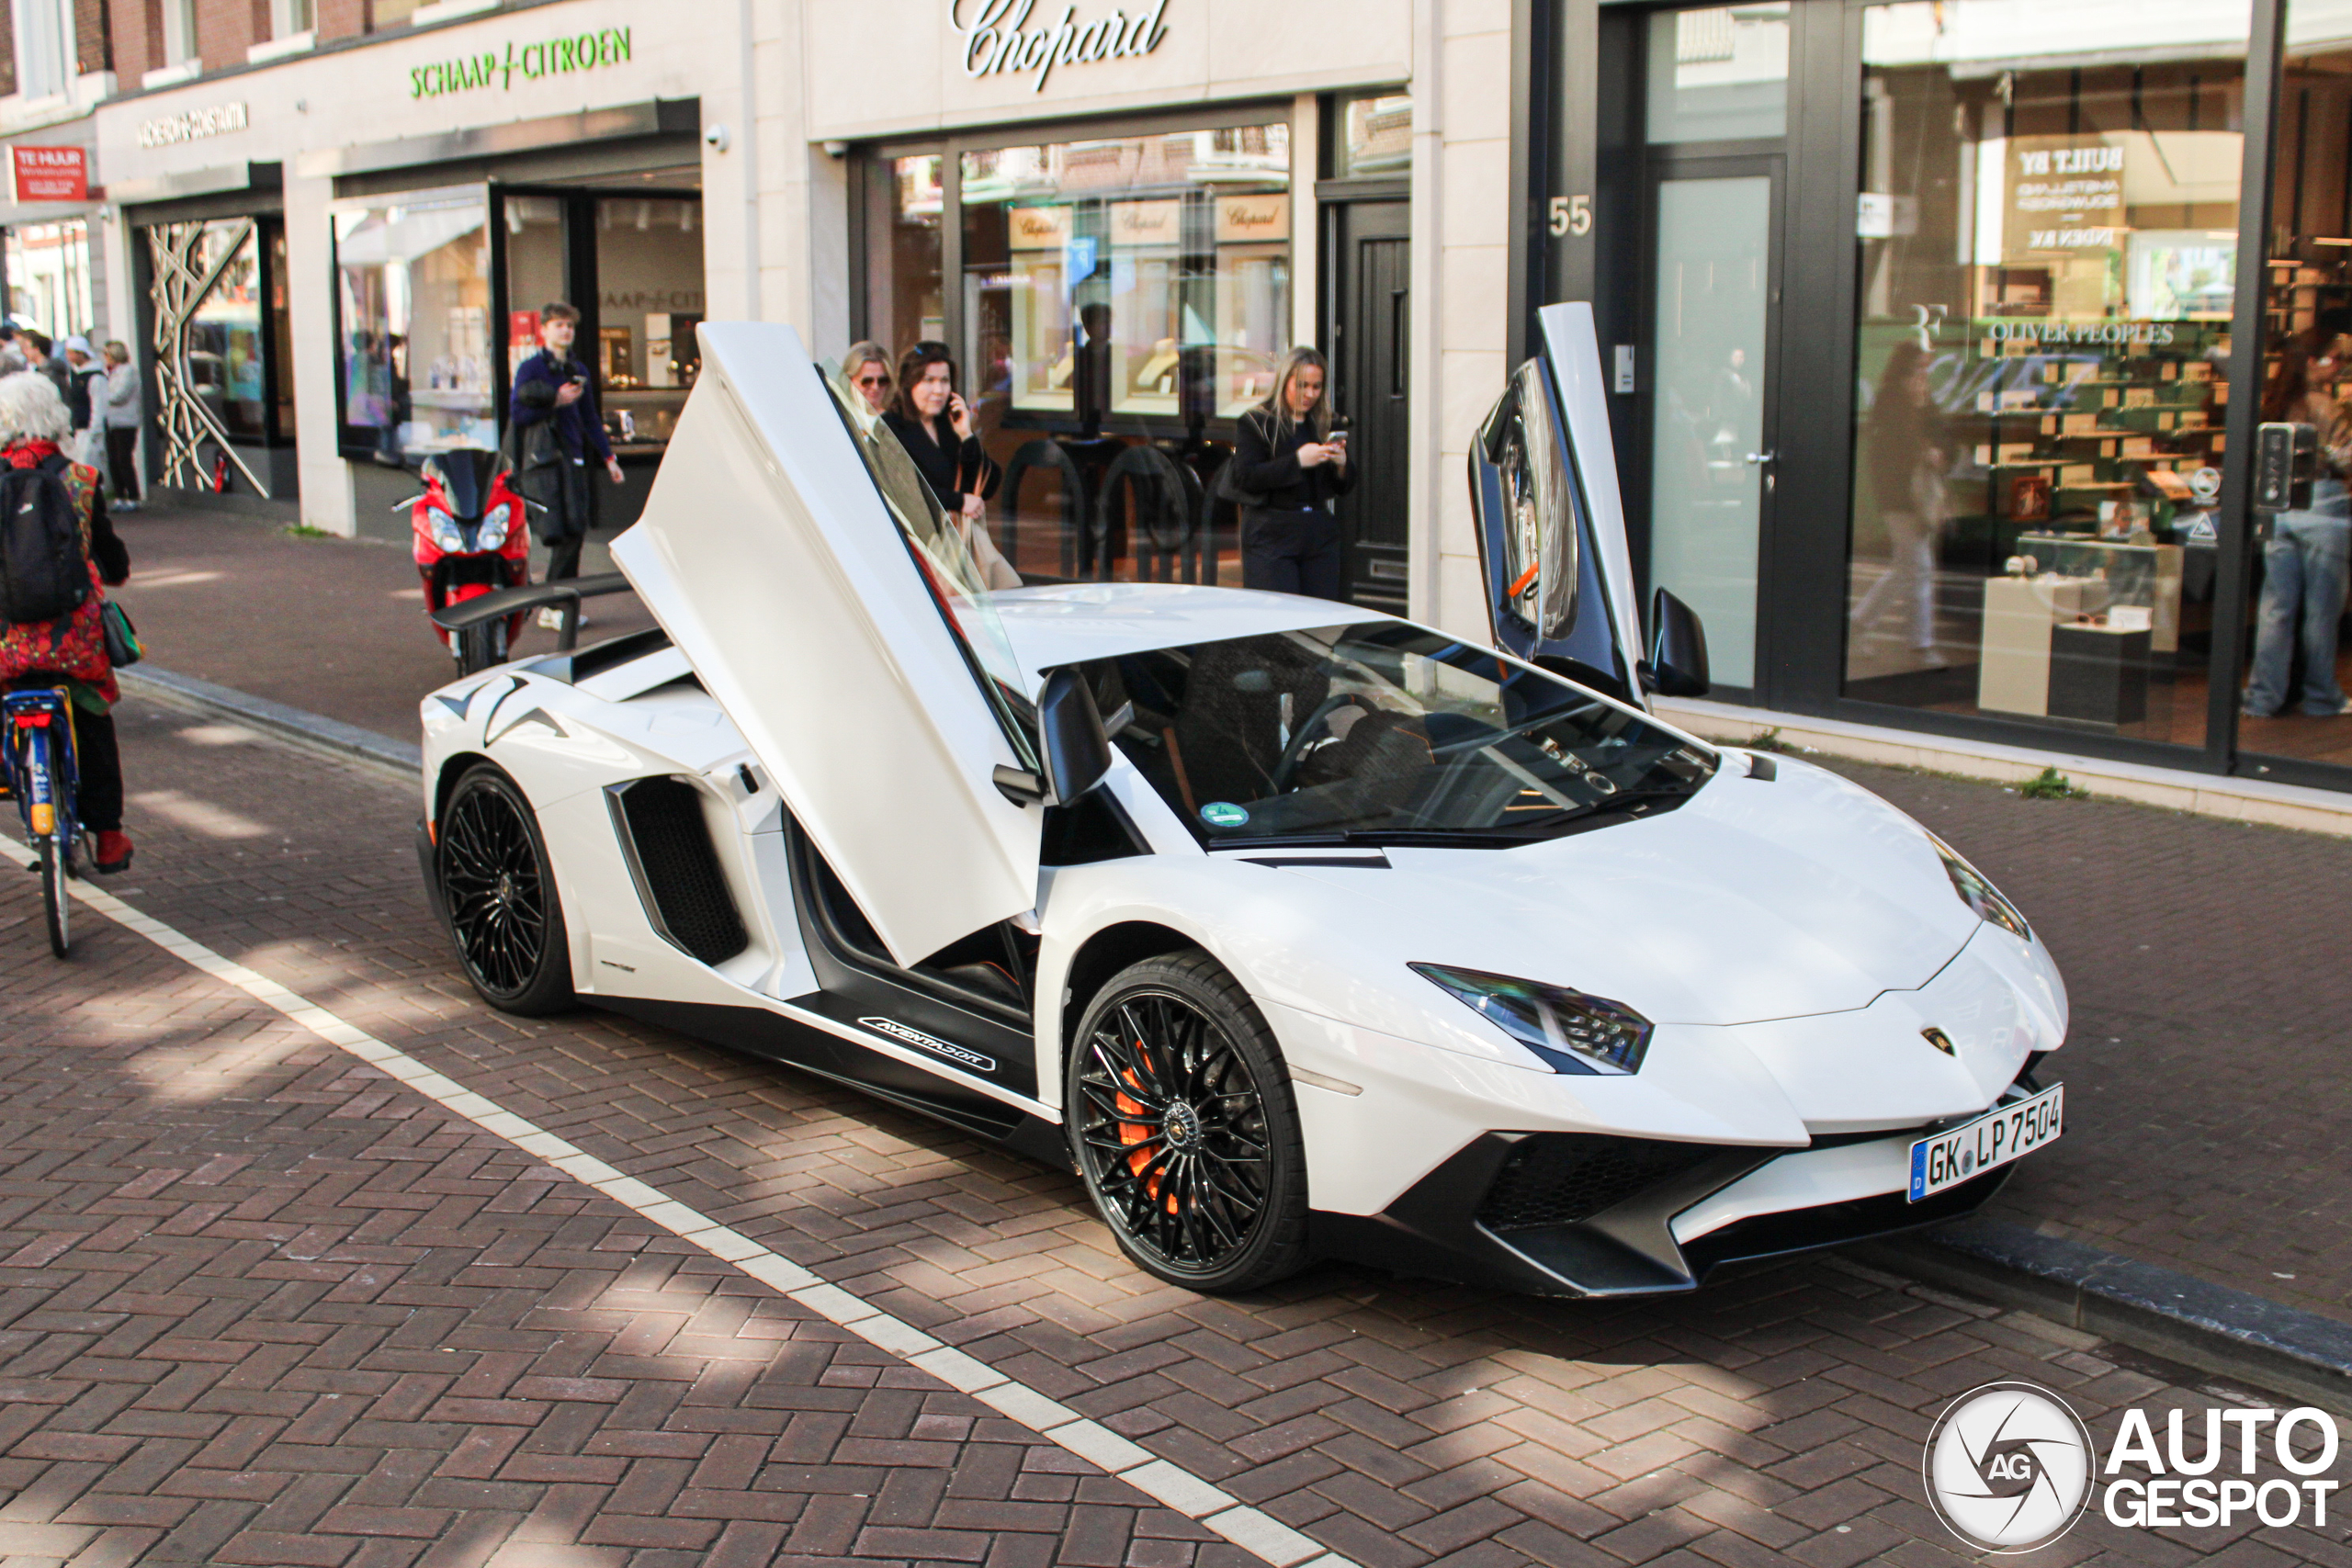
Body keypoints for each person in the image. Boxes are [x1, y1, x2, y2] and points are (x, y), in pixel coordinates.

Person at [0, 371, 132, 873]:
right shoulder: (80, 480)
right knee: (93, 715)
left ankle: (24, 795)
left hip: (7, 639)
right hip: (72, 640)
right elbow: (108, 554)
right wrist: (115, 571)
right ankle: (110, 835)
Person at [2245, 344, 2352, 718]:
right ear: (2313, 360)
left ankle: (2264, 696)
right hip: (2323, 504)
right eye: (2335, 358)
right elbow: (2346, 454)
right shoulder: (2327, 407)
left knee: (2277, 607)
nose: (2340, 366)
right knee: (2322, 609)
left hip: (2279, 506)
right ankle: (2321, 695)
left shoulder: (2276, 403)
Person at [510, 302, 624, 629]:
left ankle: (556, 605)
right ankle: (554, 606)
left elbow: (589, 417)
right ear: (543, 330)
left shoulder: (579, 370)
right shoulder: (531, 369)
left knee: (574, 529)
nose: (565, 331)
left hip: (573, 459)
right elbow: (518, 415)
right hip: (543, 462)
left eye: (569, 326)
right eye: (559, 325)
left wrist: (608, 457)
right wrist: (554, 401)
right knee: (559, 532)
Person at [879, 343, 1018, 590]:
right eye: (928, 380)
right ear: (909, 384)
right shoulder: (890, 426)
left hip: (958, 548)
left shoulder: (949, 424)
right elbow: (902, 491)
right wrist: (958, 501)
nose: (938, 390)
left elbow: (989, 483)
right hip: (917, 551)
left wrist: (966, 436)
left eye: (944, 381)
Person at [1849, 341, 1949, 668]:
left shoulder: (1915, 396)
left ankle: (1860, 623)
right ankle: (1921, 644)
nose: (1924, 372)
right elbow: (1897, 446)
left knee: (1905, 568)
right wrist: (1921, 427)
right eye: (1920, 366)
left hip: (1908, 496)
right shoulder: (1892, 399)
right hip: (1902, 497)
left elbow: (1939, 431)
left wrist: (1922, 406)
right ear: (1906, 367)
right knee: (1919, 568)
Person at [1232, 345, 1353, 600]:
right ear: (1284, 382)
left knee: (1320, 617)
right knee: (1279, 615)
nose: (1309, 394)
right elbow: (1245, 478)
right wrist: (1298, 461)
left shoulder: (1322, 423)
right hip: (1271, 533)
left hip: (1317, 532)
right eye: (1301, 385)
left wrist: (1341, 464)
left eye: (1316, 386)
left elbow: (1342, 487)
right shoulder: (1256, 422)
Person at [101, 342, 141, 512]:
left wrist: (102, 395)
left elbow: (120, 395)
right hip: (111, 422)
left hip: (125, 422)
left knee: (124, 459)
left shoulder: (128, 371)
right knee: (113, 460)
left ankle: (133, 496)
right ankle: (119, 495)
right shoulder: (109, 372)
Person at [62, 337, 104, 468]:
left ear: (80, 353)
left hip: (88, 429)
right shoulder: (73, 375)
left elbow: (99, 406)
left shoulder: (95, 377)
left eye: (70, 352)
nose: (68, 356)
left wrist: (94, 432)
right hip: (76, 427)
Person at [842, 341, 893, 416]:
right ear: (849, 380)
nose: (875, 387)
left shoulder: (899, 422)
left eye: (882, 381)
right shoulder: (837, 417)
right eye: (867, 381)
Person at [22, 331, 67, 402]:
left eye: (27, 348)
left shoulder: (50, 371)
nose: (25, 352)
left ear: (37, 349)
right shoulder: (40, 369)